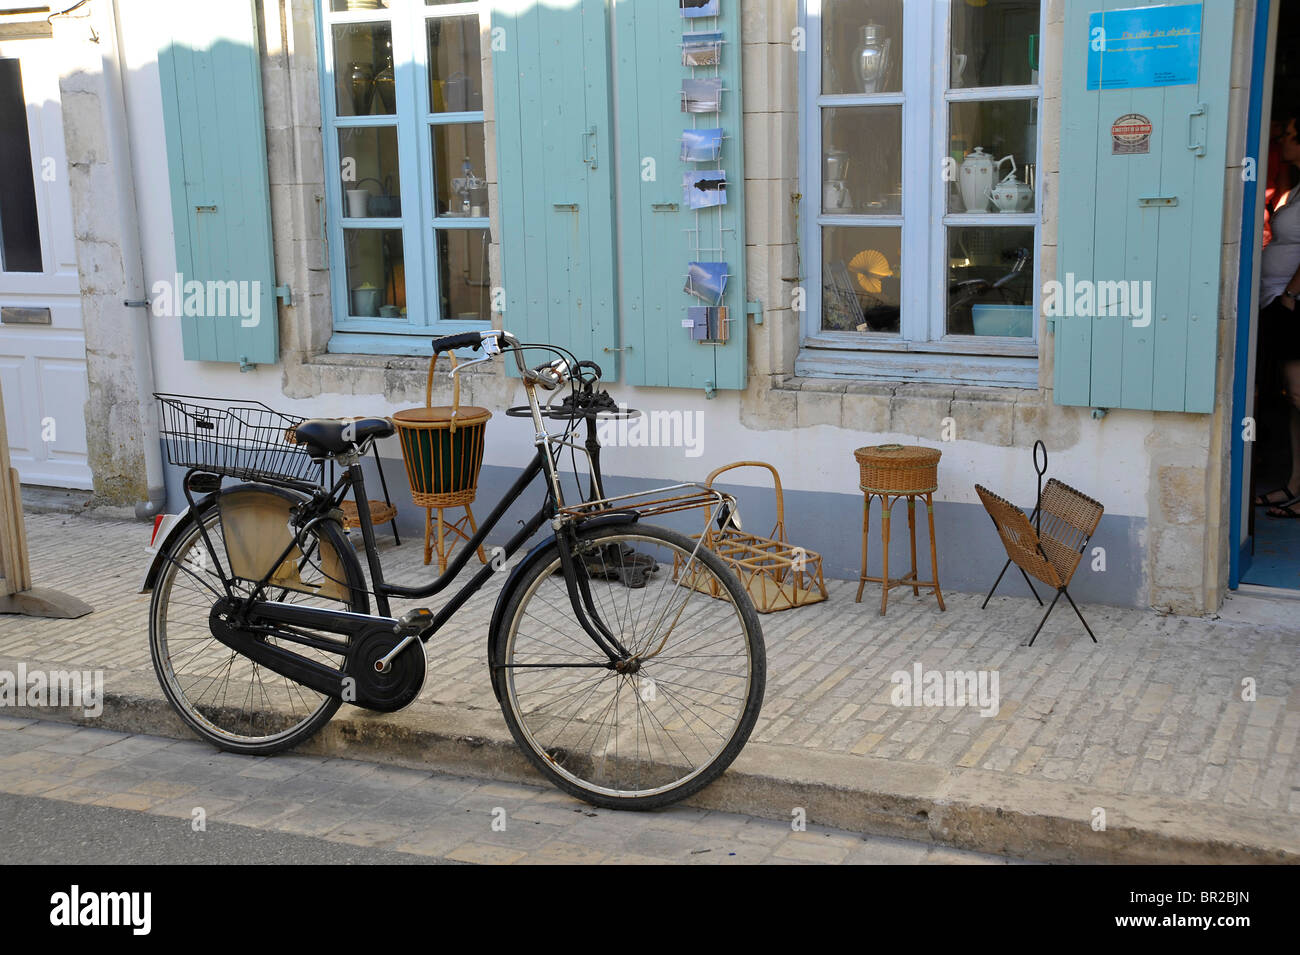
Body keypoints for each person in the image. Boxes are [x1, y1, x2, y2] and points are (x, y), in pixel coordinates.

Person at [1255, 112, 1300, 517]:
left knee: (1298, 396)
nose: (1281, 141)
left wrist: (1291, 294)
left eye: (1287, 135)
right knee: (1290, 401)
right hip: (1278, 301)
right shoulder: (1298, 188)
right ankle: (1294, 487)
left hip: (1292, 306)